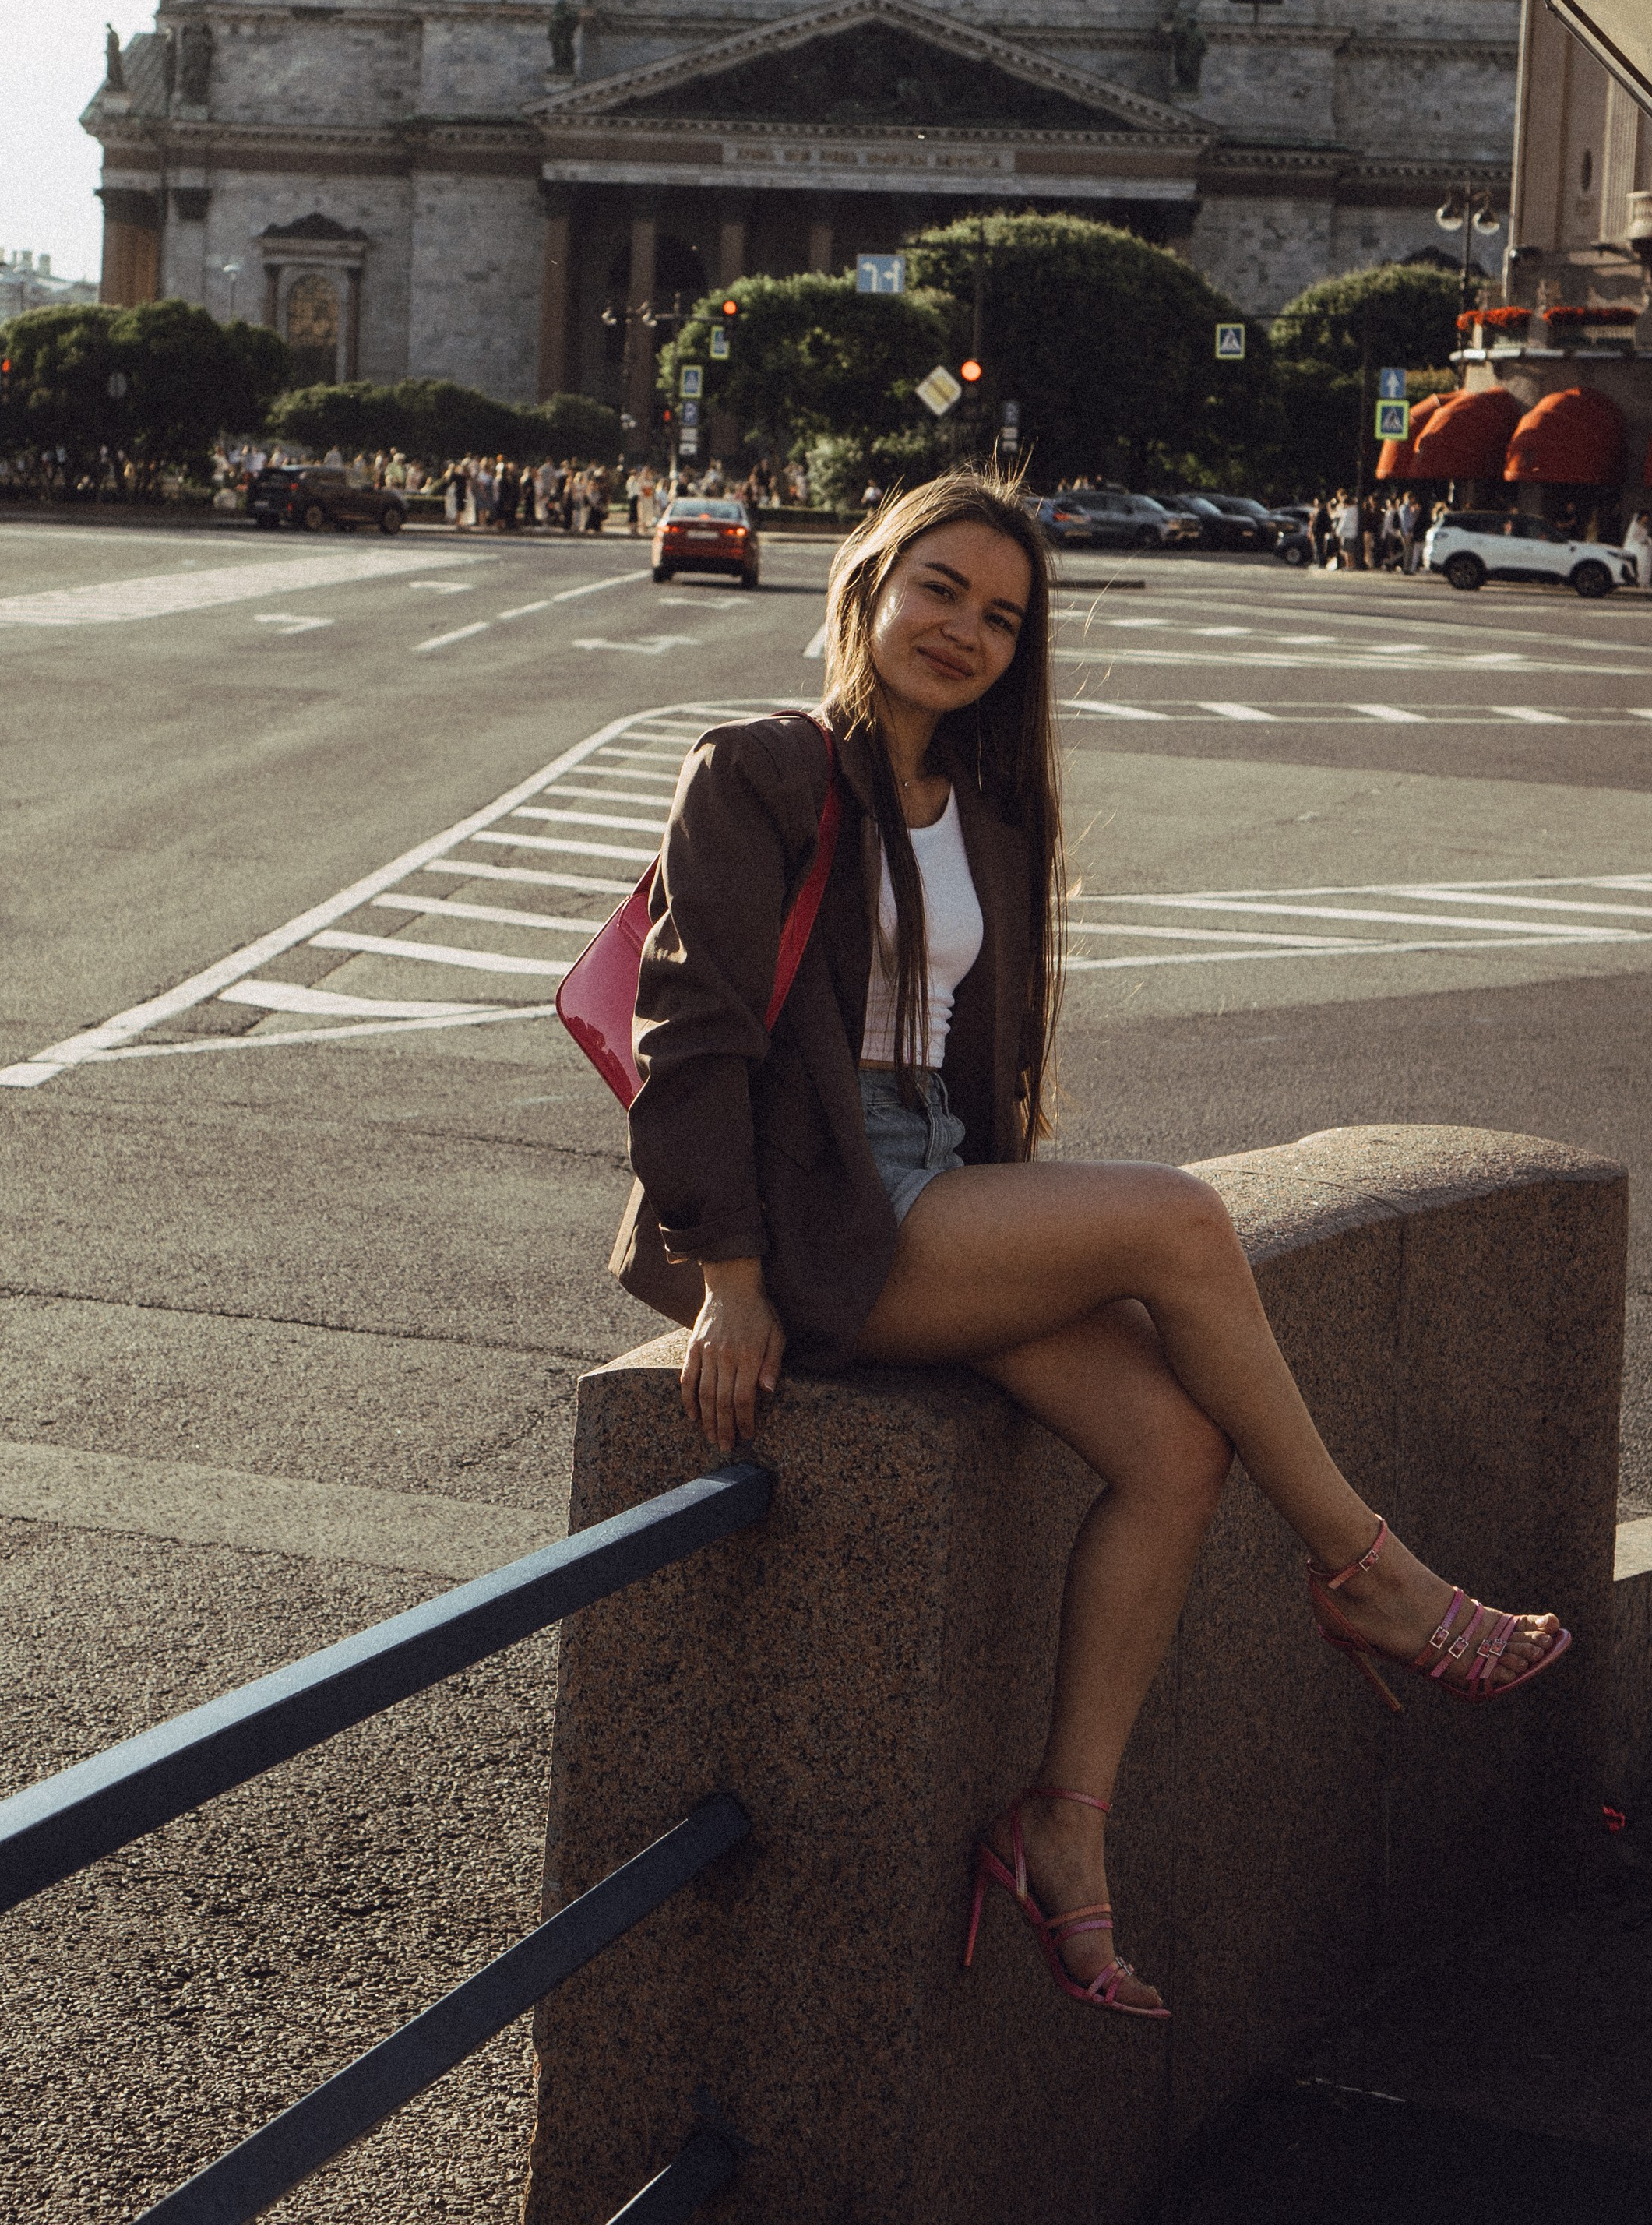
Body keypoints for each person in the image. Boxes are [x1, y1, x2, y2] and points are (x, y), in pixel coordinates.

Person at [617, 470, 1568, 2023]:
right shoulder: (764, 770)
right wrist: (726, 1280)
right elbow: (690, 1031)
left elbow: (967, 1076)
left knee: (1172, 1450)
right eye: (939, 589)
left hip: (928, 1189)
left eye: (1000, 615)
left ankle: (1058, 1825)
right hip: (815, 1215)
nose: (964, 631)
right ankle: (1365, 1572)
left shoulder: (977, 813)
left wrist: (1006, 1209)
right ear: (866, 582)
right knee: (1178, 1220)